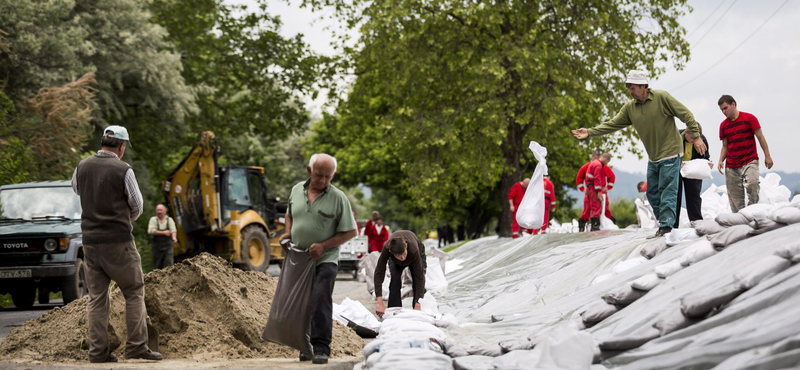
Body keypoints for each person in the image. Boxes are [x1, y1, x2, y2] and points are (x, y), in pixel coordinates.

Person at [572, 70, 706, 238]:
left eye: (633, 87)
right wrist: (590, 132)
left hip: (671, 153)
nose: (630, 91)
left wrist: (696, 136)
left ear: (644, 86)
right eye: (629, 88)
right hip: (654, 157)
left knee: (667, 191)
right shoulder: (630, 108)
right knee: (651, 193)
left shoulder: (661, 97)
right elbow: (612, 124)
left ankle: (667, 228)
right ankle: (666, 225)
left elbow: (686, 114)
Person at [71, 126, 162, 363]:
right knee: (133, 291)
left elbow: (77, 189)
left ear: (103, 142)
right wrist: (121, 219)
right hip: (119, 243)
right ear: (121, 147)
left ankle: (97, 352)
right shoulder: (124, 169)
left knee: (97, 298)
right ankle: (136, 347)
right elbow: (138, 205)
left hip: (90, 243)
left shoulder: (82, 166)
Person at [280, 153, 357, 365]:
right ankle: (305, 347)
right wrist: (288, 233)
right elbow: (290, 214)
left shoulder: (338, 198)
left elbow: (351, 231)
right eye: (318, 175)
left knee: (320, 300)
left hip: (326, 259)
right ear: (308, 171)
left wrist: (324, 246)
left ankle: (321, 347)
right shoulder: (296, 190)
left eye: (327, 177)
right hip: (299, 258)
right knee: (300, 304)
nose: (323, 180)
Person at [717, 95, 774, 213]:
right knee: (735, 199)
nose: (724, 111)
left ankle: (753, 211)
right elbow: (725, 146)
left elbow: (760, 137)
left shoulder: (749, 118)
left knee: (752, 183)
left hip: (749, 160)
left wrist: (767, 156)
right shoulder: (723, 126)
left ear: (733, 104)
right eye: (721, 109)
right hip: (732, 165)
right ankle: (741, 221)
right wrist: (721, 160)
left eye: (725, 108)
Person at [374, 230, 427, 317]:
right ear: (391, 252)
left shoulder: (413, 249)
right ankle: (394, 311)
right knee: (395, 278)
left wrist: (418, 302)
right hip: (395, 262)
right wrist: (379, 302)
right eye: (399, 256)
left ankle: (417, 310)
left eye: (404, 254)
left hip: (417, 255)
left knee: (417, 280)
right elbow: (379, 272)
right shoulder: (387, 248)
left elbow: (420, 277)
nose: (402, 258)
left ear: (406, 246)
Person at [674, 126, 712, 228]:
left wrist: (708, 163)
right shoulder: (675, 136)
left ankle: (697, 223)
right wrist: (677, 163)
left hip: (693, 171)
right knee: (675, 196)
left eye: (696, 138)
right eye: (692, 138)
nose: (693, 141)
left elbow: (705, 156)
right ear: (686, 132)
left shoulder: (701, 139)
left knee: (694, 195)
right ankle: (672, 225)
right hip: (676, 169)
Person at [576, 151, 601, 231]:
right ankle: (582, 225)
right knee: (587, 208)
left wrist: (606, 188)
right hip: (590, 190)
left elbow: (610, 177)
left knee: (597, 208)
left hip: (598, 190)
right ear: (592, 156)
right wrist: (583, 189)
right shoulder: (585, 167)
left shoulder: (601, 166)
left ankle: (595, 226)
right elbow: (579, 179)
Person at [147, 204, 177, 269]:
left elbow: (173, 230)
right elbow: (150, 231)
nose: (159, 212)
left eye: (161, 210)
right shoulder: (153, 220)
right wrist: (163, 232)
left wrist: (174, 238)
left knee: (169, 265)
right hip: (157, 247)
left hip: (168, 247)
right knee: (157, 266)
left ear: (165, 211)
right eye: (158, 210)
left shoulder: (169, 220)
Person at [585, 155, 608, 231]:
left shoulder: (594, 163)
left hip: (589, 187)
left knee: (592, 207)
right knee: (596, 207)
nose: (606, 164)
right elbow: (597, 178)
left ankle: (593, 226)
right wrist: (599, 191)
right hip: (593, 188)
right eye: (607, 162)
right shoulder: (598, 165)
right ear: (605, 159)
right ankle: (595, 227)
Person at [602, 155, 616, 223]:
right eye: (607, 162)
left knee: (605, 207)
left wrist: (608, 187)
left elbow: (612, 176)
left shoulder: (604, 167)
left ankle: (611, 221)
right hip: (593, 190)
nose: (607, 164)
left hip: (601, 190)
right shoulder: (595, 165)